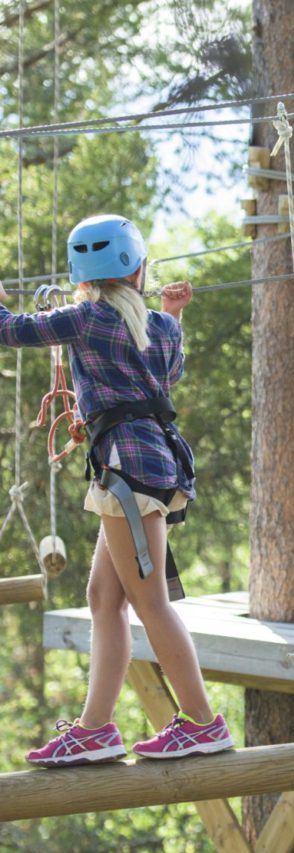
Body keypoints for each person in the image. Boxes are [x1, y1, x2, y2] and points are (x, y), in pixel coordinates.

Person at [0, 214, 233, 766]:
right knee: (105, 598)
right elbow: (164, 377)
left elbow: (9, 330)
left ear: (83, 276)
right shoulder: (162, 325)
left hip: (127, 469)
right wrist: (172, 313)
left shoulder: (84, 319)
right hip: (144, 466)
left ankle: (202, 721)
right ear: (138, 269)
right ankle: (96, 729)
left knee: (148, 602)